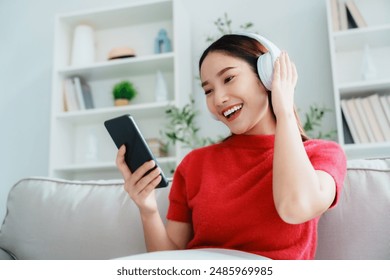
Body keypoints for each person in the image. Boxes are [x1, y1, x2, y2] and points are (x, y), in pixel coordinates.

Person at [116, 33, 347, 260]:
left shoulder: (322, 154)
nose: (218, 99)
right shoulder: (195, 164)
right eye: (208, 90)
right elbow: (169, 263)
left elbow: (296, 208)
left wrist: (284, 109)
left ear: (267, 76)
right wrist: (148, 210)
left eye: (228, 79)